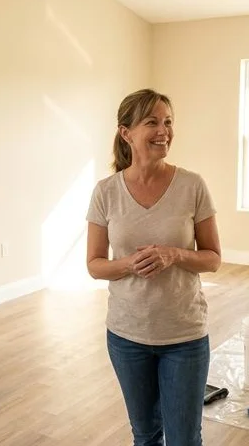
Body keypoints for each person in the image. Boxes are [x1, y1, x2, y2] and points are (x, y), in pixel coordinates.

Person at [85, 88, 221, 446]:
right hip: (126, 337)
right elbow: (95, 265)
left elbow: (213, 258)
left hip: (184, 337)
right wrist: (129, 263)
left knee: (184, 439)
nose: (164, 131)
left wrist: (175, 255)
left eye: (168, 122)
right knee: (145, 436)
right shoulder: (105, 192)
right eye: (152, 123)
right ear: (126, 133)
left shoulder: (192, 185)